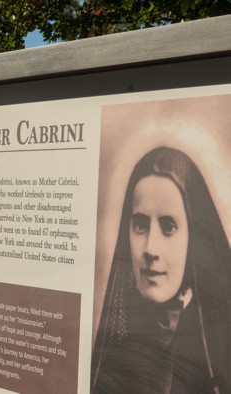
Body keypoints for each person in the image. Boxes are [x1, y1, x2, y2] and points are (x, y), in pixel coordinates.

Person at [92, 147, 231, 393]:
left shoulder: (218, 349)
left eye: (168, 226)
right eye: (140, 224)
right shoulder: (114, 350)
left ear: (194, 239)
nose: (150, 248)